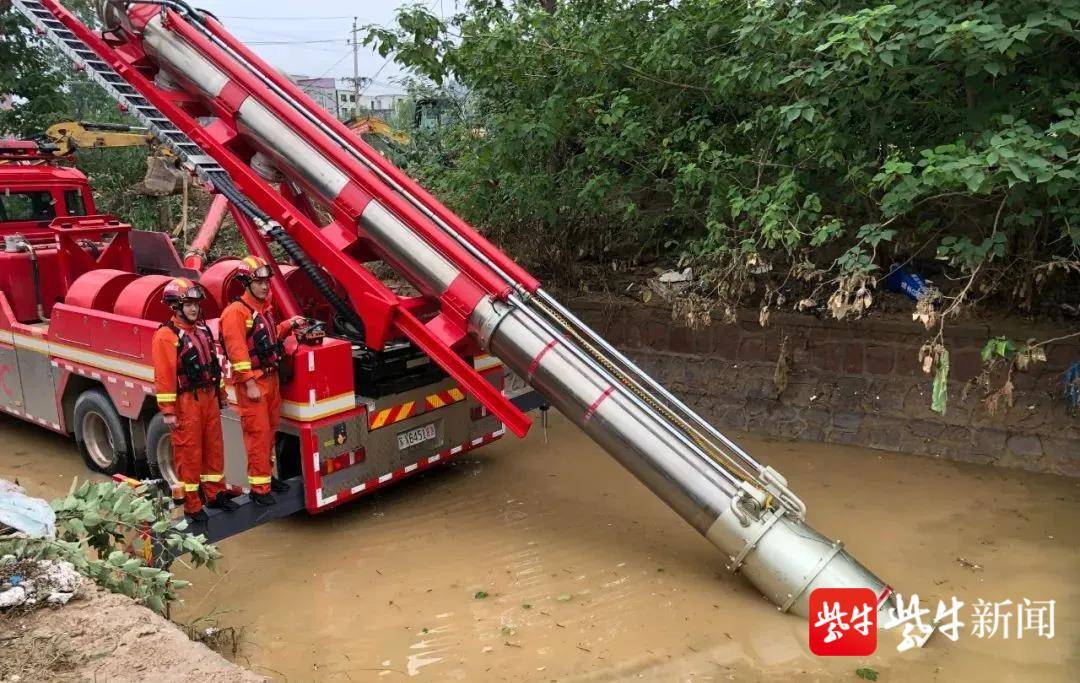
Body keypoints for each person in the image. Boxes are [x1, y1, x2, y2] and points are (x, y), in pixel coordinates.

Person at [219, 255, 305, 506]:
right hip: (255, 382)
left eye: (267, 282)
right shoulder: (235, 313)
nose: (265, 286)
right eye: (259, 282)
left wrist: (289, 325)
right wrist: (249, 383)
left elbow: (267, 338)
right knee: (257, 435)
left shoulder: (261, 310)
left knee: (269, 433)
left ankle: (266, 478)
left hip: (271, 378)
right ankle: (259, 489)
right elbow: (238, 352)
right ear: (246, 283)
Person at [151, 278, 238, 520]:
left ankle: (216, 493)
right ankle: (192, 504)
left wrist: (221, 394)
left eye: (195, 304)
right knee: (189, 454)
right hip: (186, 402)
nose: (193, 309)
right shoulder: (166, 337)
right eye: (187, 304)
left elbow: (215, 367)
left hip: (208, 397)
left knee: (214, 448)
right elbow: (165, 375)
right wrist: (168, 410)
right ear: (175, 307)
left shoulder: (202, 331)